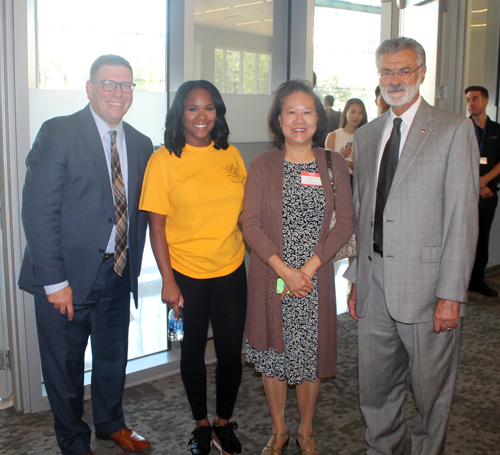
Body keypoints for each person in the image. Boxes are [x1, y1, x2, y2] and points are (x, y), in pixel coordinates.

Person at [344, 37, 479, 455]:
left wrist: (451, 294)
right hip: (375, 282)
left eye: (404, 70)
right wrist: (354, 278)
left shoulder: (453, 129)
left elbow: (462, 218)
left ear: (422, 73)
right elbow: (363, 209)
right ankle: (381, 448)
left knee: (430, 391)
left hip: (427, 286)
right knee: (377, 385)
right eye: (387, 71)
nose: (395, 79)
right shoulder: (366, 136)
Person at [18, 55, 154, 455]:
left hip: (117, 271)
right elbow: (38, 211)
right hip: (66, 279)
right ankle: (73, 442)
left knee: (113, 358)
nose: (118, 93)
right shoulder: (58, 133)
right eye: (108, 84)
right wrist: (54, 282)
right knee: (64, 368)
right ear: (90, 87)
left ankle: (111, 424)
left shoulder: (142, 143)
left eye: (126, 85)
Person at [243, 80, 354, 455]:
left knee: (309, 356)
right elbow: (251, 223)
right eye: (291, 111)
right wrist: (284, 270)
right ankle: (279, 430)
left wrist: (306, 270)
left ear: (318, 118)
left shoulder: (332, 162)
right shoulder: (262, 164)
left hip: (315, 278)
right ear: (278, 118)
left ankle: (305, 431)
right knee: (274, 357)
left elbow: (346, 223)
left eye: (308, 111)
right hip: (271, 275)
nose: (299, 119)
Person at [139, 80, 247, 455]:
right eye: (192, 108)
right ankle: (201, 425)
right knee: (192, 351)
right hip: (186, 276)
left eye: (209, 108)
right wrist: (168, 282)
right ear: (179, 113)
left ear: (217, 112)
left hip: (231, 269)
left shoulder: (230, 154)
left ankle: (222, 423)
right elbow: (156, 227)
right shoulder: (163, 159)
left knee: (232, 353)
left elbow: (242, 216)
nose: (201, 116)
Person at [465, 85, 500, 297]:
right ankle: (461, 280)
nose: (471, 104)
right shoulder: (461, 127)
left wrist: (485, 182)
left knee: (482, 237)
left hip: (488, 194)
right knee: (464, 237)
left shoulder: (497, 130)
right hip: (466, 193)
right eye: (468, 100)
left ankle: (477, 279)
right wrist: (477, 185)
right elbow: (458, 160)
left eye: (475, 99)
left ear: (486, 101)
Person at [325, 98, 367, 179]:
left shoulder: (364, 138)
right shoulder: (333, 136)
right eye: (353, 112)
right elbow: (327, 166)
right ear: (345, 113)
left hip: (356, 184)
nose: (356, 116)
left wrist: (346, 162)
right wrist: (339, 156)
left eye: (360, 113)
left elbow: (366, 169)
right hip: (337, 182)